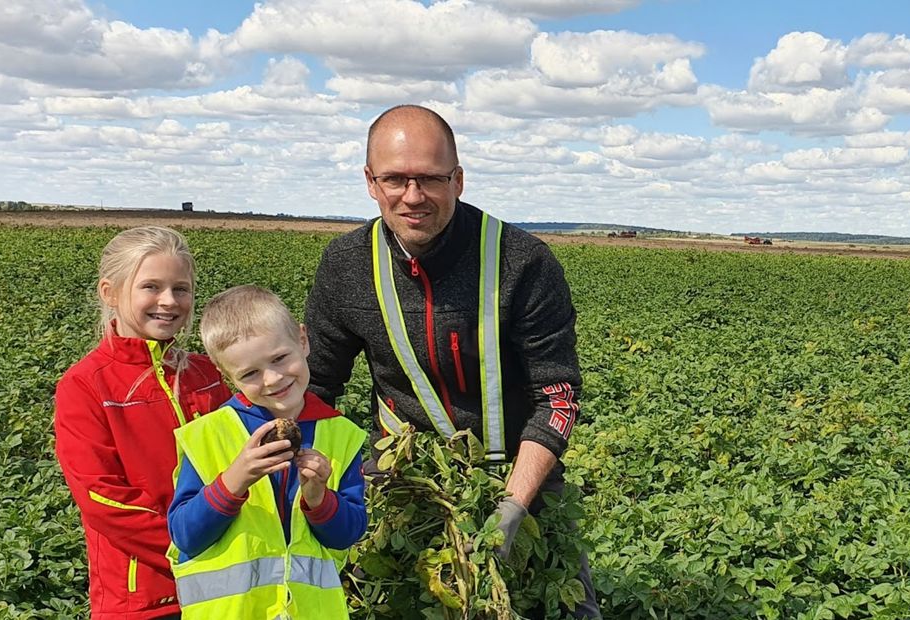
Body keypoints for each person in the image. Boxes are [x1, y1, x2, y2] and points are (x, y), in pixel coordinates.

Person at [304, 104, 601, 618]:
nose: (412, 196)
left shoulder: (522, 262)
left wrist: (512, 507)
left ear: (458, 180)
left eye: (430, 179)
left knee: (562, 604)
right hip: (404, 477)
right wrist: (310, 482)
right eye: (396, 178)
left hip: (519, 474)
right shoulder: (346, 265)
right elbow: (315, 388)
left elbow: (557, 397)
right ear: (370, 182)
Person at [54, 226, 232, 620]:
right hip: (142, 598)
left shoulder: (207, 374)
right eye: (151, 287)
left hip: (224, 587)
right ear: (110, 293)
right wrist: (190, 542)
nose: (168, 302)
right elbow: (103, 498)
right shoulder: (85, 385)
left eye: (180, 289)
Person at [167, 285, 367, 619]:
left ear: (302, 341)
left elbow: (349, 534)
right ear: (226, 375)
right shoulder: (207, 435)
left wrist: (319, 498)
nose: (273, 379)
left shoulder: (341, 434)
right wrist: (234, 480)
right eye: (250, 373)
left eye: (279, 358)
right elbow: (186, 536)